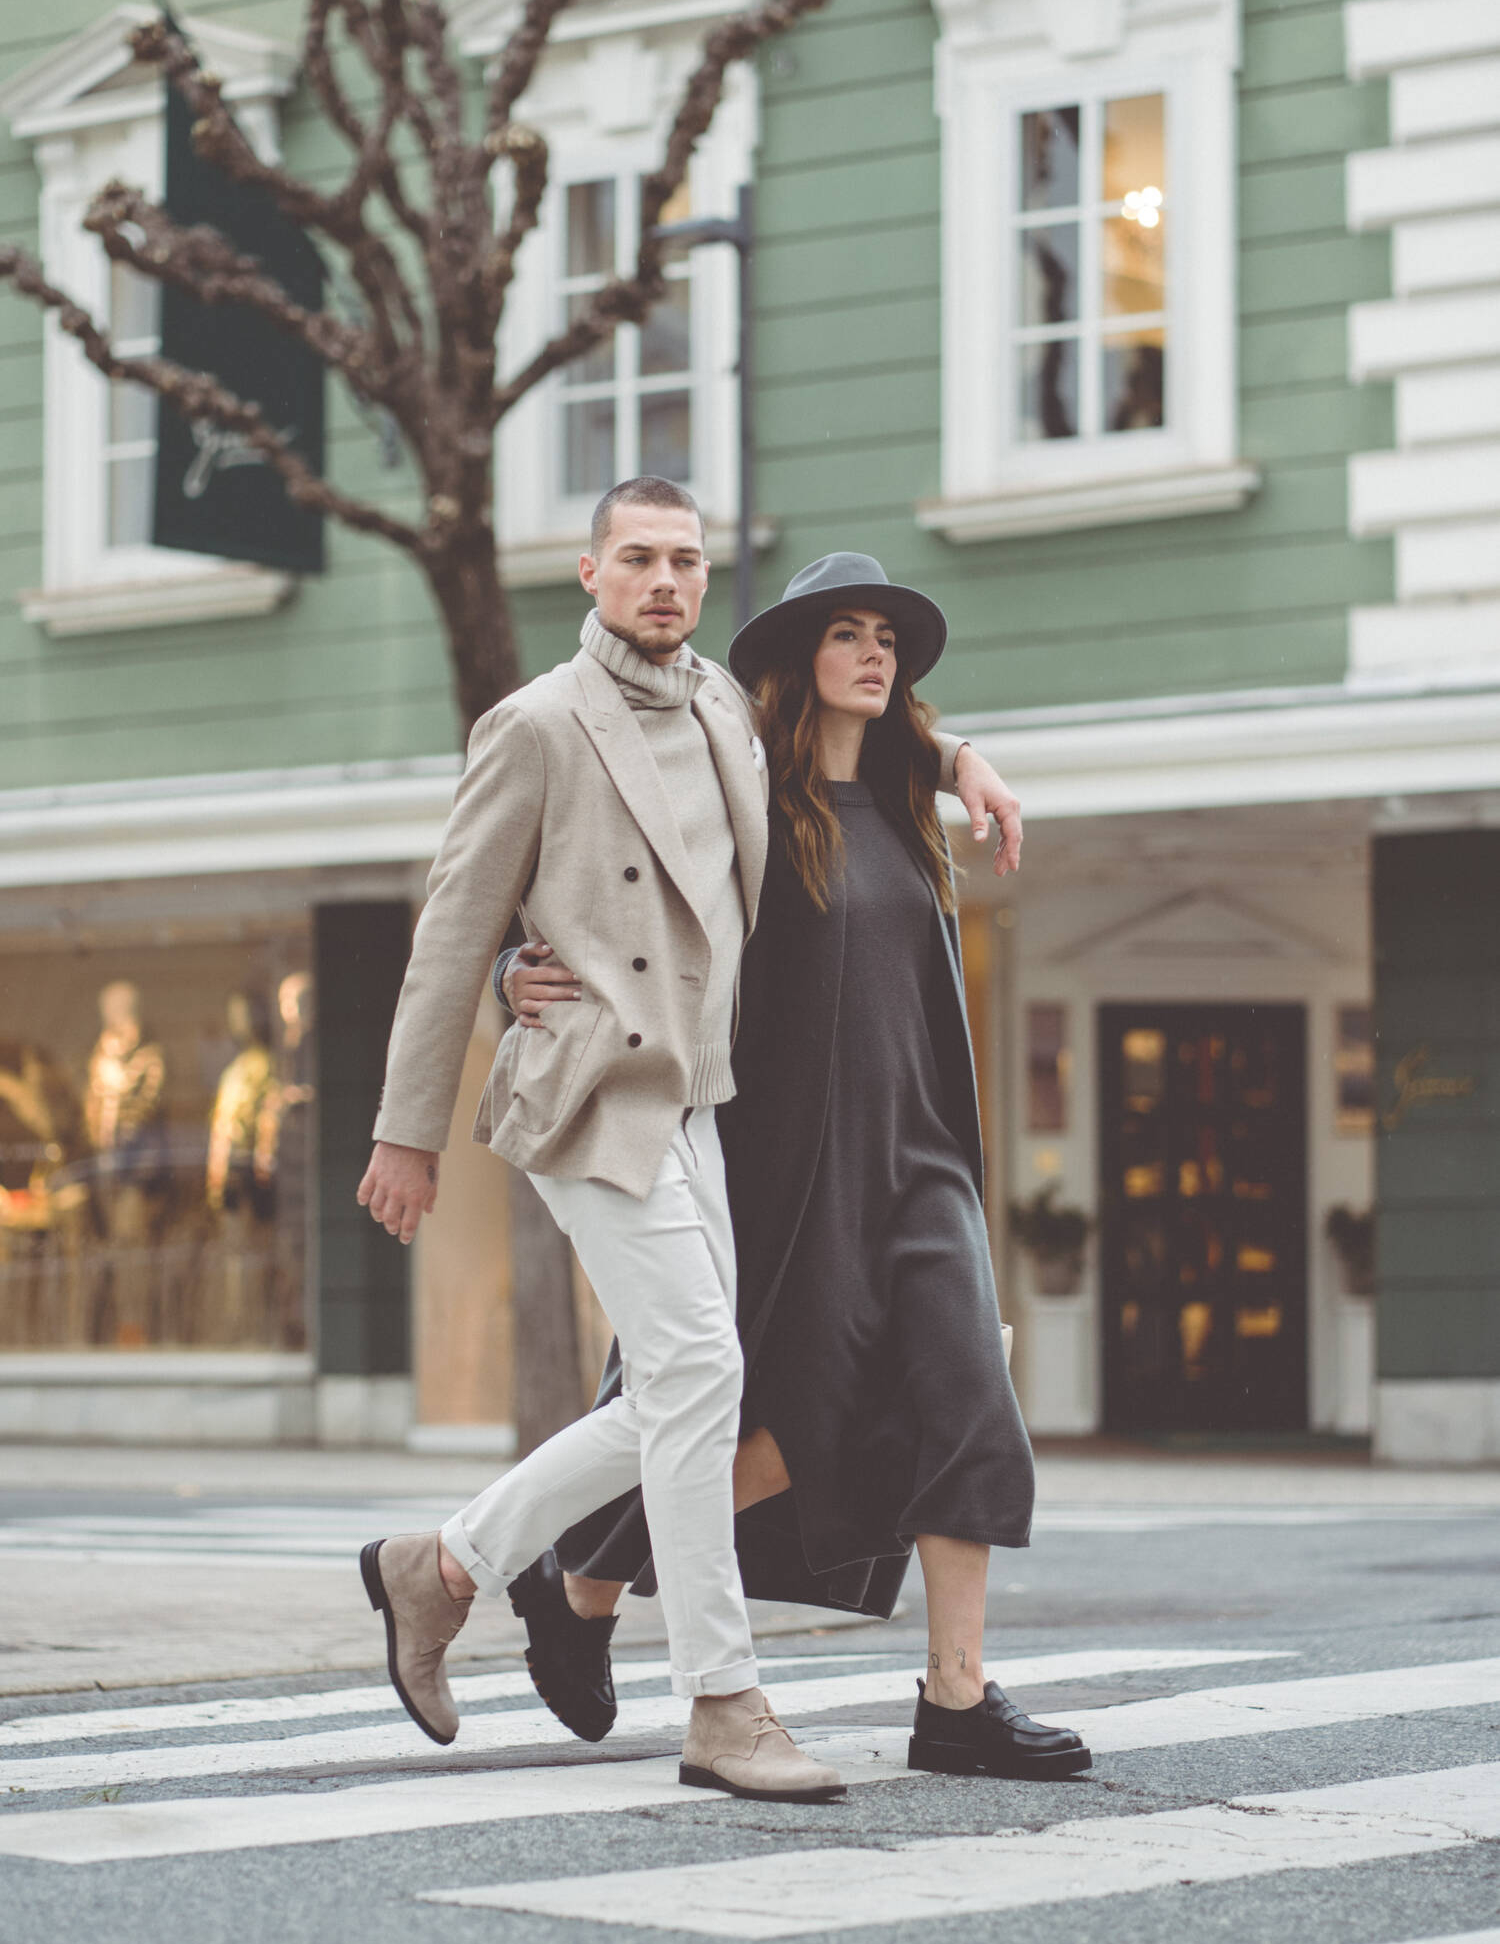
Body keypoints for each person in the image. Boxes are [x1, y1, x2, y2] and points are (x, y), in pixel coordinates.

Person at [355, 490, 1019, 1804]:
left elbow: (852, 732)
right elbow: (455, 925)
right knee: (705, 1369)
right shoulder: (539, 722)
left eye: (685, 559)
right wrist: (416, 1116)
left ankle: (443, 1563)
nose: (664, 579)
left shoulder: (720, 705)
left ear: (705, 579)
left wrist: (960, 761)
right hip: (592, 1090)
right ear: (592, 570)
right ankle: (722, 1698)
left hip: (698, 1097)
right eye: (639, 558)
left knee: (693, 1393)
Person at [508, 553, 1090, 1783]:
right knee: (791, 1422)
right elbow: (618, 874)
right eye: (849, 634)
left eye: (889, 636)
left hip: (922, 1155)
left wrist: (955, 753)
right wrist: (522, 968)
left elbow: (918, 764)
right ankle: (581, 1574)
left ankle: (956, 1697)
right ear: (796, 662)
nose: (876, 653)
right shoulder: (744, 798)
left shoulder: (906, 804)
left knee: (966, 1389)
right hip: (786, 1159)